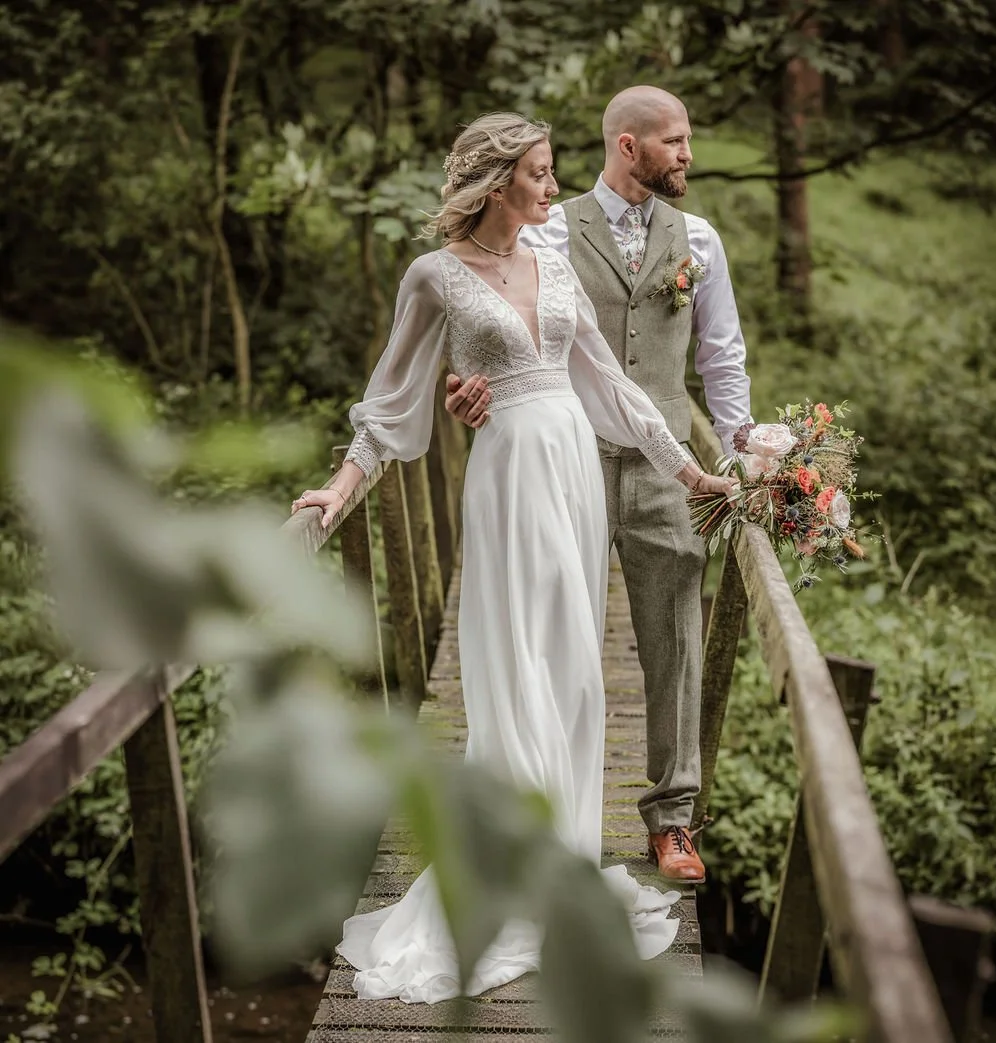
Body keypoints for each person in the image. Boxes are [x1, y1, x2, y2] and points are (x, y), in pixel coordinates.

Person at [290, 111, 735, 1005]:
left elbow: (610, 384)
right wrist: (336, 491)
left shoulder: (556, 260)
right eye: (539, 171)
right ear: (497, 183)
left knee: (573, 671)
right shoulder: (434, 278)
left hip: (570, 466)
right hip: (505, 480)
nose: (551, 183)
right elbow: (387, 402)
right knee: (514, 669)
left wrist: (691, 470)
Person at [444, 87, 754, 885]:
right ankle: (544, 813)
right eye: (676, 140)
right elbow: (489, 303)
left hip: (663, 460)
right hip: (567, 455)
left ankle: (673, 818)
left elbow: (720, 357)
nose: (689, 154)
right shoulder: (547, 225)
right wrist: (469, 382)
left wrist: (744, 450)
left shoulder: (702, 241)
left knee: (675, 627)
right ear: (627, 144)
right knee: (557, 636)